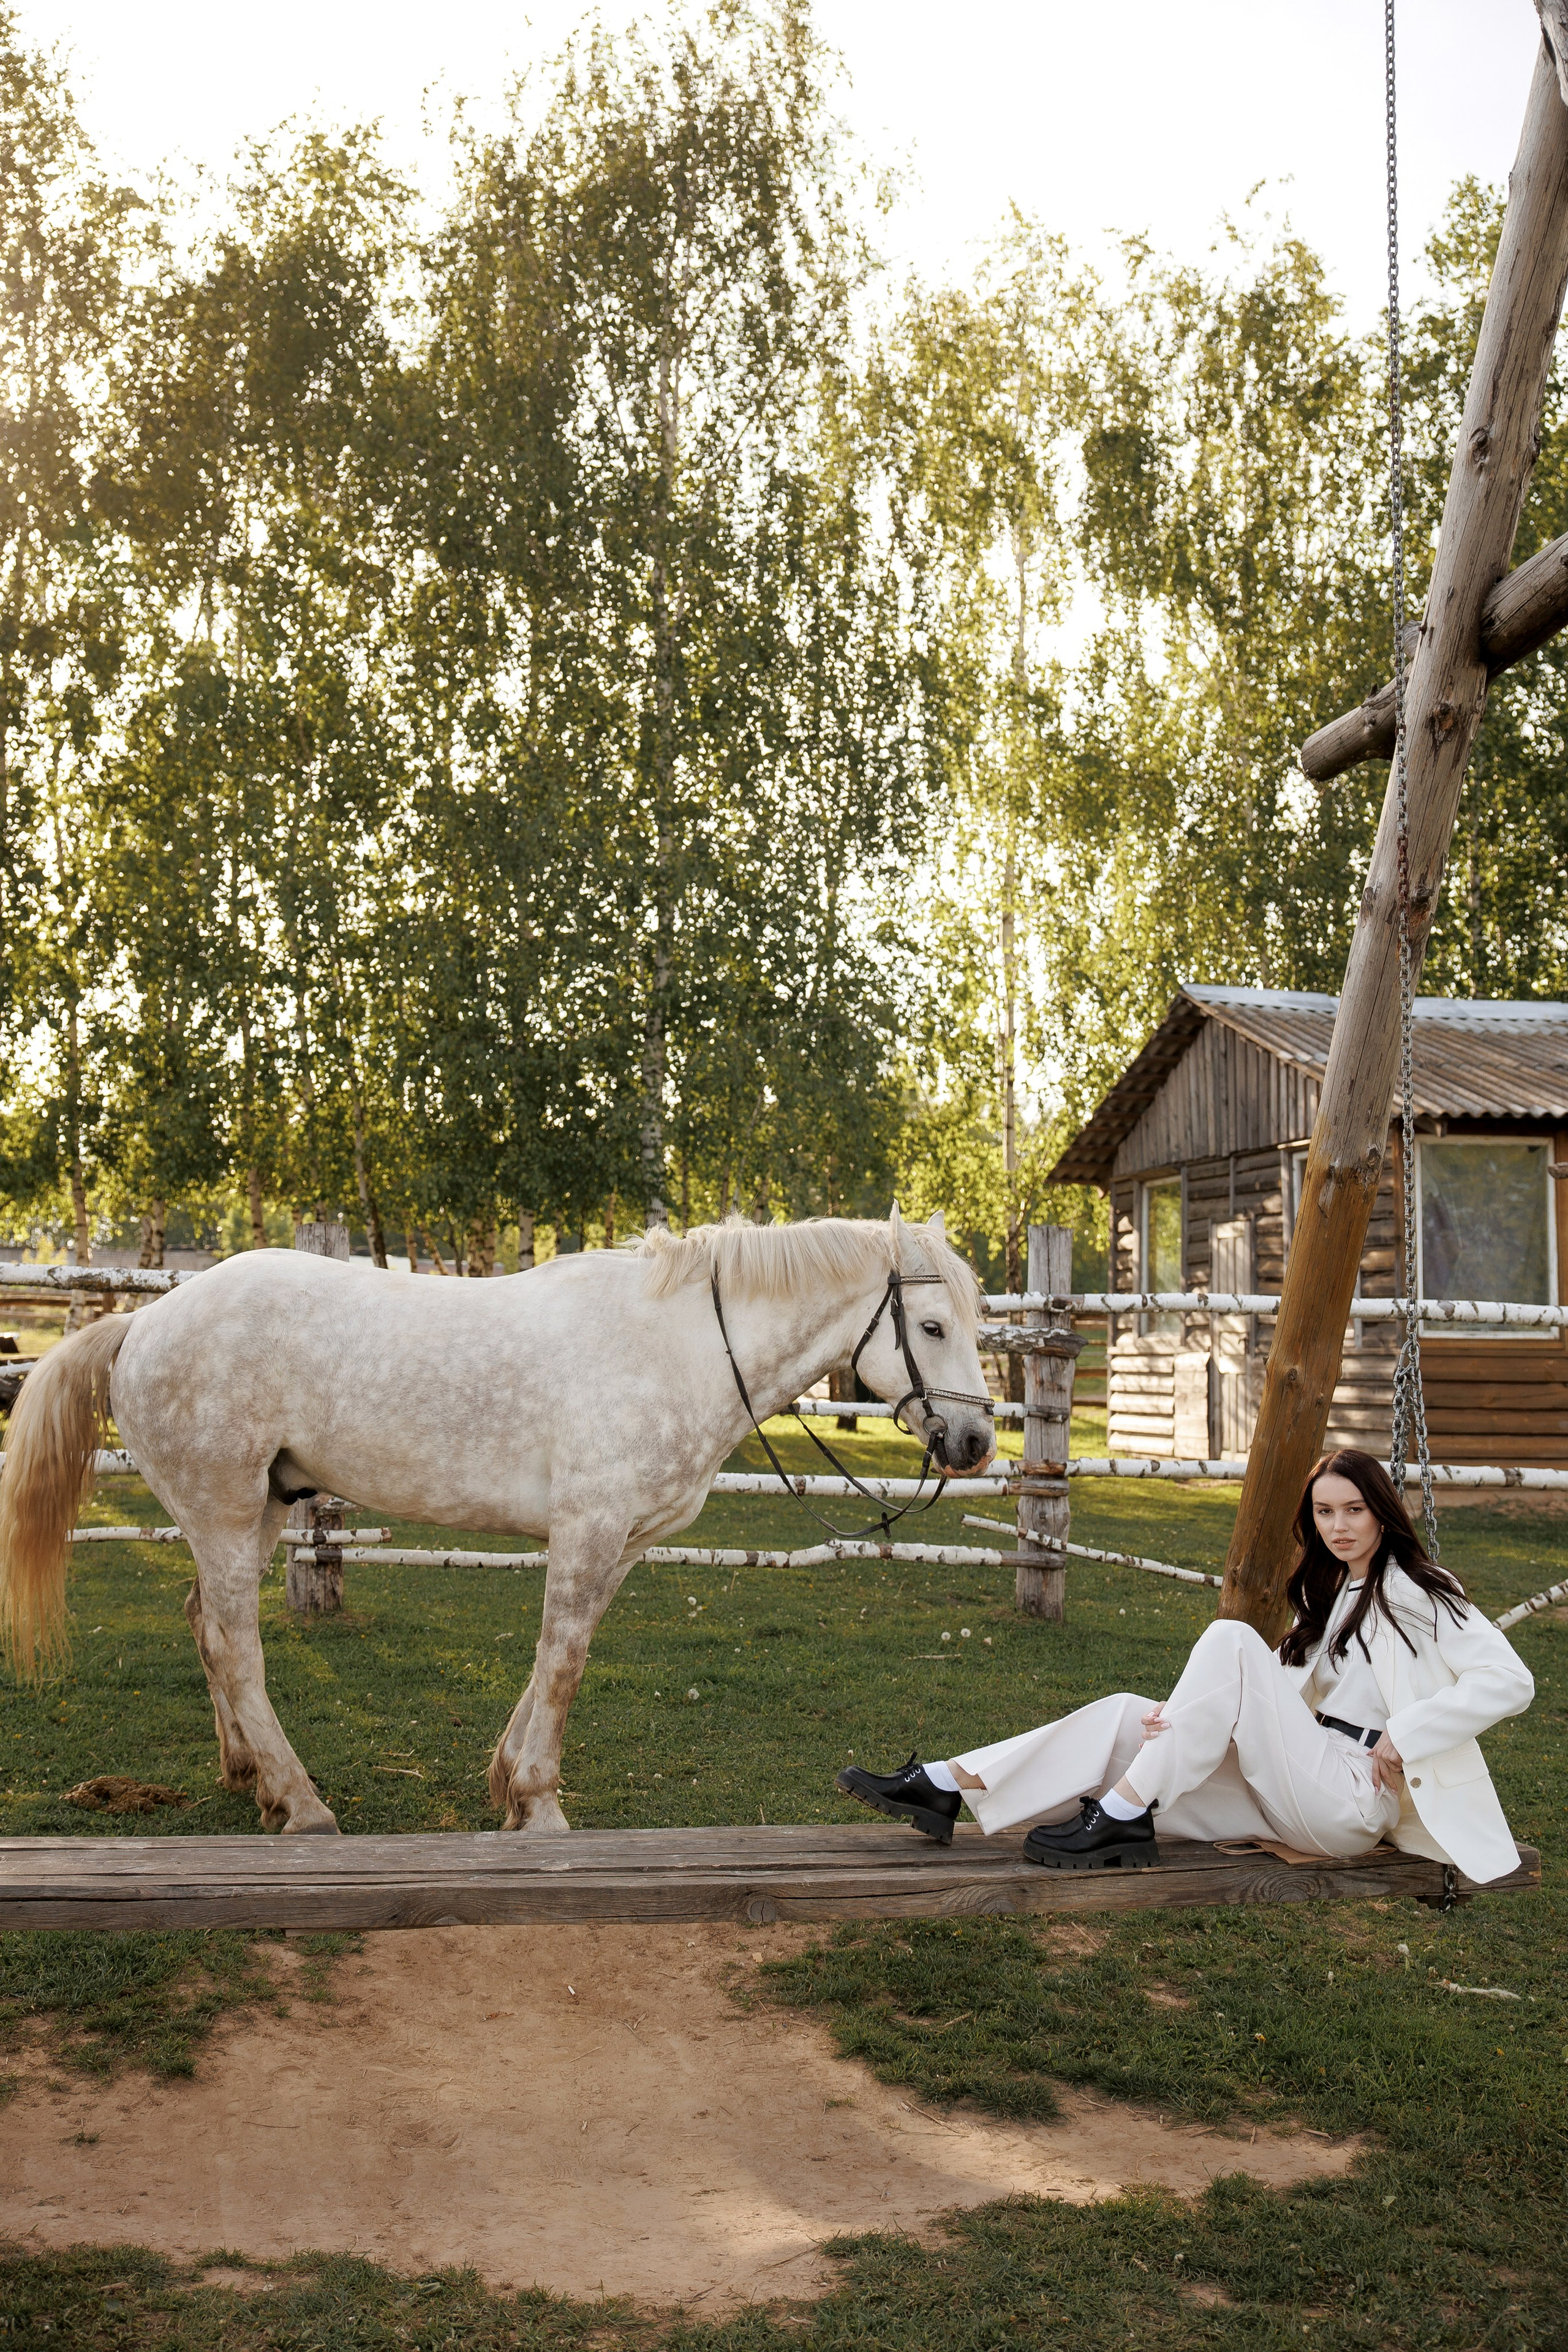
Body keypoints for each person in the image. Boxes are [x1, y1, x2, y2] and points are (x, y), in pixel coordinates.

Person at [837, 1449, 1534, 1887]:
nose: (1338, 1526)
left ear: (1382, 1513)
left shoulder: (1418, 1589)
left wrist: (1407, 1733)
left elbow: (1510, 1682)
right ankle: (948, 1786)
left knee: (1231, 1638)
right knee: (1127, 1717)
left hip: (1349, 1798)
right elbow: (1266, 1699)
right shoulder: (1331, 1596)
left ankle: (1121, 1815)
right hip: (1295, 1777)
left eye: (1354, 1510)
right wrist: (1179, 1720)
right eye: (1325, 1512)